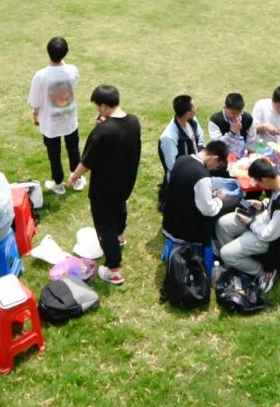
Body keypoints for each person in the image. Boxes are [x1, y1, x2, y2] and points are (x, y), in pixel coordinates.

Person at [67, 86, 140, 286]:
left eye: (98, 107)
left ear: (104, 106)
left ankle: (114, 270)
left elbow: (87, 161)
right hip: (125, 181)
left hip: (104, 188)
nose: (98, 111)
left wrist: (74, 176)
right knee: (119, 208)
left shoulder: (102, 132)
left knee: (105, 224)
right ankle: (120, 236)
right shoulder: (133, 121)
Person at [213, 158, 280, 291]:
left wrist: (250, 223)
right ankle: (237, 263)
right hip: (262, 221)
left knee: (225, 253)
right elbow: (274, 201)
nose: (257, 186)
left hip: (273, 241)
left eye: (257, 181)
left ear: (265, 179)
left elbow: (268, 235)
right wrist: (263, 204)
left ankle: (263, 272)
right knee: (222, 224)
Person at [28, 37, 82, 194]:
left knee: (54, 153)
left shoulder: (41, 75)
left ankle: (58, 183)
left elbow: (36, 101)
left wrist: (36, 114)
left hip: (50, 122)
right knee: (73, 149)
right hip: (69, 118)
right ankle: (76, 179)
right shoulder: (72, 69)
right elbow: (74, 82)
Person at [163, 138, 234, 256]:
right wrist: (219, 200)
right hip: (186, 230)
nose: (215, 169)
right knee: (230, 204)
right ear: (215, 158)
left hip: (170, 221)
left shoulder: (181, 159)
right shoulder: (201, 175)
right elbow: (207, 210)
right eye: (218, 166)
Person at [156, 95, 209, 187]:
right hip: (181, 178)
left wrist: (201, 157)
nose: (197, 107)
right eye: (194, 106)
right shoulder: (169, 137)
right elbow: (174, 167)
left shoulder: (192, 120)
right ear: (188, 113)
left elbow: (200, 138)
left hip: (195, 166)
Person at [208, 93, 254, 159]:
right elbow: (217, 146)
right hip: (223, 158)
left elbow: (252, 142)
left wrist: (248, 157)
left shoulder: (248, 118)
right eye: (232, 113)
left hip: (244, 158)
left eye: (239, 113)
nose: (236, 116)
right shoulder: (215, 120)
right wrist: (232, 133)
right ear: (224, 107)